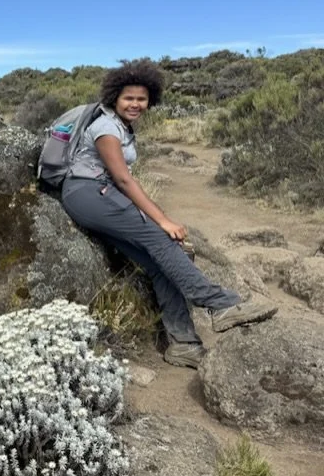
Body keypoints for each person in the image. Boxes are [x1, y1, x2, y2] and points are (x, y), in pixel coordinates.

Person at [60, 59, 277, 368]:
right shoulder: (106, 126)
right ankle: (220, 305)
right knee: (161, 239)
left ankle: (183, 343)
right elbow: (122, 179)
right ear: (114, 98)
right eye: (128, 98)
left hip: (101, 196)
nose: (135, 104)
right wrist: (161, 219)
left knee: (159, 264)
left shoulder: (122, 126)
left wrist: (154, 217)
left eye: (141, 99)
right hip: (88, 194)